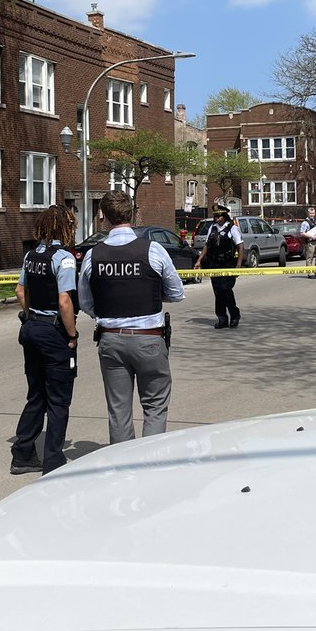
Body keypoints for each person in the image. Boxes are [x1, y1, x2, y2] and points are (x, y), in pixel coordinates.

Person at [78, 190, 185, 444]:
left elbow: (85, 301)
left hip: (111, 340)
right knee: (155, 406)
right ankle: (149, 464)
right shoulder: (153, 250)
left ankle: (122, 469)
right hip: (149, 339)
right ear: (133, 215)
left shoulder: (94, 255)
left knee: (119, 412)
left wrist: (108, 311)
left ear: (103, 217)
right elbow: (177, 292)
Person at [11, 204, 80, 475]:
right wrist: (71, 335)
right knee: (59, 399)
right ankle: (53, 459)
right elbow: (65, 302)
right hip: (53, 333)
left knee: (36, 394)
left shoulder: (32, 255)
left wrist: (31, 316)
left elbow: (20, 291)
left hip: (32, 329)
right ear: (65, 228)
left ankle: (22, 454)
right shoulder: (64, 258)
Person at [194, 204, 243, 328]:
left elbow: (240, 246)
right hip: (214, 263)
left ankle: (234, 315)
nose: (216, 219)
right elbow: (207, 245)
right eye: (215, 216)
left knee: (226, 289)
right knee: (218, 291)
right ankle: (222, 318)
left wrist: (238, 266)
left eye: (219, 216)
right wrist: (199, 260)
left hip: (228, 263)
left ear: (224, 216)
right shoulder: (213, 228)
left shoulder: (232, 228)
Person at [300, 206, 316, 278]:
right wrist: (310, 236)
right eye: (311, 213)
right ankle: (310, 273)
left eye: (313, 213)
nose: (312, 214)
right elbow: (302, 233)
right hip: (310, 242)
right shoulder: (305, 223)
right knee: (309, 258)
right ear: (308, 213)